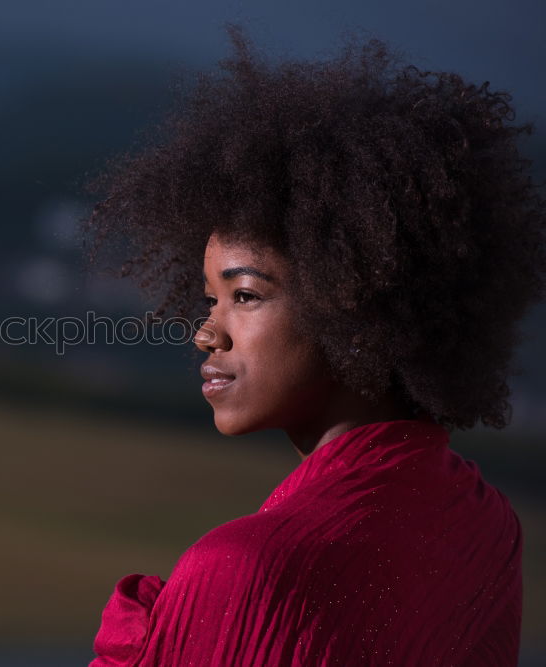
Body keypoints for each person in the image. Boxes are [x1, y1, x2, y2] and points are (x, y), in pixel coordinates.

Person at [79, 26, 544, 666]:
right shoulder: (488, 523)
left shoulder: (243, 567)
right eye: (209, 299)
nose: (206, 332)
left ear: (354, 301)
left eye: (244, 296)